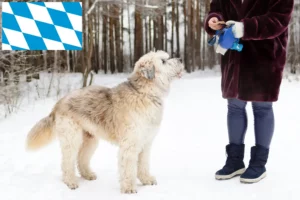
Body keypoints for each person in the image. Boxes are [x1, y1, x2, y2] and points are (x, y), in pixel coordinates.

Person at [204, 0, 294, 183]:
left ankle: (258, 164)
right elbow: (217, 8)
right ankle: (235, 160)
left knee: (262, 107)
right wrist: (214, 19)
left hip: (265, 56)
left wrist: (245, 28)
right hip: (234, 57)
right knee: (234, 106)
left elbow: (279, 19)